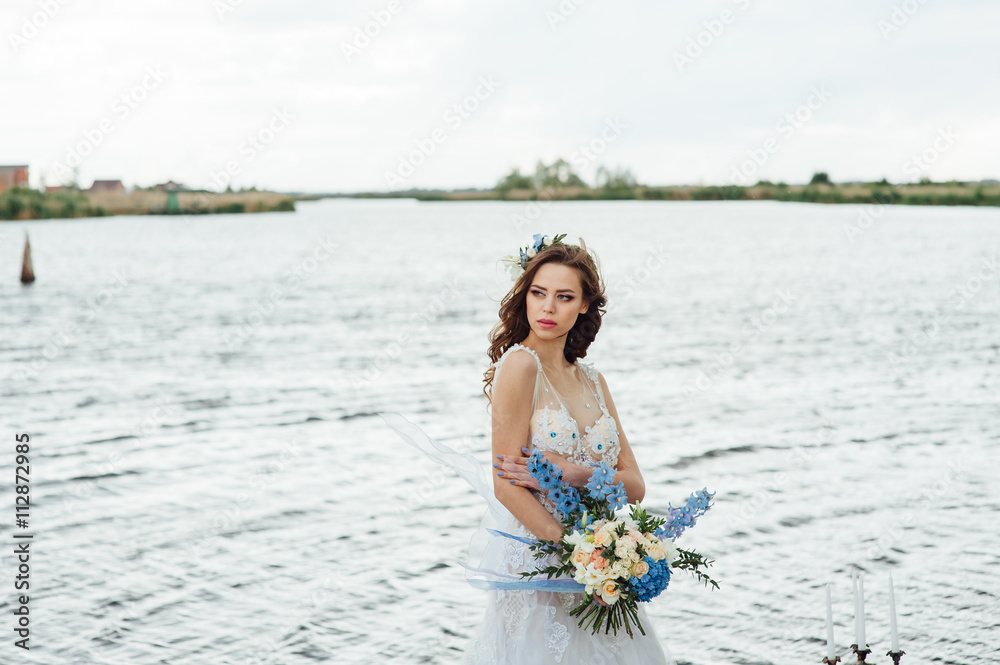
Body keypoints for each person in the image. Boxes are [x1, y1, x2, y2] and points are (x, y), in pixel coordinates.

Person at [381, 234, 676, 664]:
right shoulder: (520, 366)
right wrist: (578, 559)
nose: (548, 308)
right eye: (538, 293)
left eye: (564, 296)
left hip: (601, 556)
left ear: (584, 306)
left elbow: (634, 484)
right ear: (526, 299)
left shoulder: (593, 379)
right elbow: (507, 485)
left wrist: (577, 478)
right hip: (543, 560)